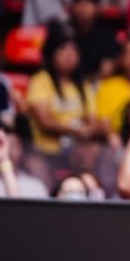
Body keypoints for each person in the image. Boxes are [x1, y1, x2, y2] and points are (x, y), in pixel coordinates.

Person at [25, 23, 103, 162]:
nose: (69, 55)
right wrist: (76, 130)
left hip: (77, 152)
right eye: (63, 49)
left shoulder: (83, 86)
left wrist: (91, 128)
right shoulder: (41, 81)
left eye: (74, 50)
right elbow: (45, 122)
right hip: (46, 152)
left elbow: (93, 119)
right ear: (52, 53)